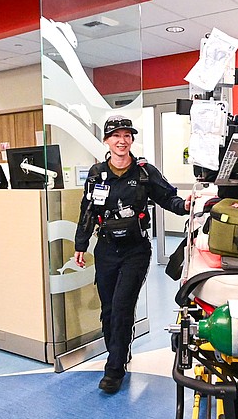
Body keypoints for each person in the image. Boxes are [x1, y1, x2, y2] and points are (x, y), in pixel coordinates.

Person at [74, 115, 189, 394]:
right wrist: (81, 244)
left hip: (135, 250)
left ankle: (114, 368)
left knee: (123, 306)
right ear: (107, 141)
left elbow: (169, 198)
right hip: (106, 249)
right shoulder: (96, 173)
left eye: (127, 136)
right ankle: (119, 353)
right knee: (109, 309)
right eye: (116, 136)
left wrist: (186, 205)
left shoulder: (144, 172)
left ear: (132, 140)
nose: (122, 141)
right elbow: (88, 210)